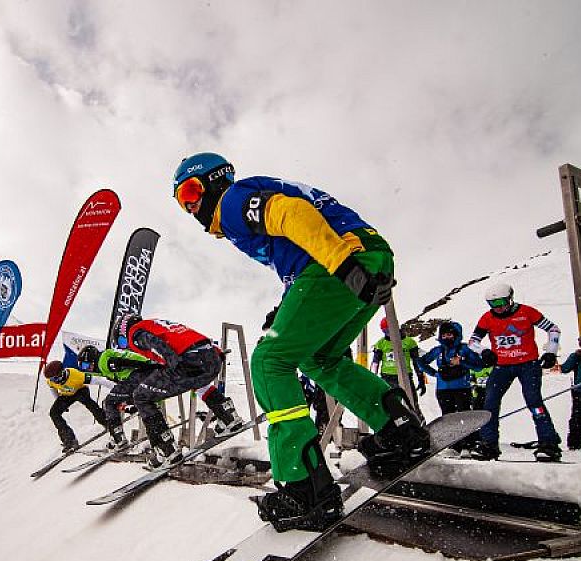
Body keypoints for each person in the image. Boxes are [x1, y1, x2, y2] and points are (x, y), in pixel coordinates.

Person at [172, 152, 427, 532]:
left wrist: (342, 263)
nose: (191, 206)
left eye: (191, 191)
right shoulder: (243, 204)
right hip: (368, 257)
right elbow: (300, 240)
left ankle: (303, 487)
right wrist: (289, 304)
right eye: (181, 201)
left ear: (215, 181)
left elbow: (291, 214)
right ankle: (399, 429)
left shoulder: (233, 200)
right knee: (319, 358)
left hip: (339, 264)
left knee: (268, 362)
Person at [104, 314, 244, 468]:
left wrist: (174, 363)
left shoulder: (136, 332)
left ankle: (166, 449)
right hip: (212, 356)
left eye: (123, 343)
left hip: (187, 361)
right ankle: (228, 416)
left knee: (141, 396)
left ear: (124, 330)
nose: (128, 346)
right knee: (197, 382)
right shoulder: (159, 324)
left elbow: (155, 343)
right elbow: (191, 338)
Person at [467, 283, 563, 461]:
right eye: (493, 304)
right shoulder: (487, 318)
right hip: (501, 366)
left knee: (534, 401)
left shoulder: (527, 312)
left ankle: (548, 443)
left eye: (502, 302)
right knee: (489, 403)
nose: (498, 307)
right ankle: (489, 444)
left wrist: (551, 352)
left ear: (510, 299)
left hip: (528, 364)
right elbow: (473, 341)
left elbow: (553, 328)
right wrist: (484, 351)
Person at [416, 321, 484, 451]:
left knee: (465, 416)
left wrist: (462, 362)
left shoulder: (464, 349)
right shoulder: (438, 350)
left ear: (456, 335)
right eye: (444, 335)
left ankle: (468, 444)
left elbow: (479, 365)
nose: (446, 338)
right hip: (443, 390)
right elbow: (421, 362)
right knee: (448, 417)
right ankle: (453, 445)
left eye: (449, 335)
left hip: (462, 388)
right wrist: (434, 373)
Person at [43, 359, 112, 454]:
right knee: (54, 413)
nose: (54, 381)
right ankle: (69, 440)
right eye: (52, 379)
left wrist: (116, 388)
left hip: (80, 390)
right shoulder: (51, 381)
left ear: (62, 373)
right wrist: (58, 401)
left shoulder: (76, 375)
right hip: (66, 394)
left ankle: (107, 423)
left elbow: (99, 380)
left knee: (90, 404)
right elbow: (52, 389)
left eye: (55, 378)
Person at [371, 317, 426, 396]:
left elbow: (417, 362)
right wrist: (373, 380)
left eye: (389, 330)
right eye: (385, 331)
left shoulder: (409, 342)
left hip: (405, 377)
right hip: (387, 378)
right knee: (390, 406)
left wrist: (421, 379)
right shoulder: (380, 344)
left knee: (412, 404)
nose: (388, 333)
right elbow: (375, 363)